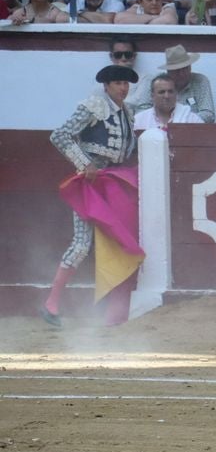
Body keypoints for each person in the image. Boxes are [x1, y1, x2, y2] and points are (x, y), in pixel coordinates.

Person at [41, 64, 141, 328]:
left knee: (121, 240)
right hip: (91, 183)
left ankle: (114, 309)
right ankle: (51, 303)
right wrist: (84, 164)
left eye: (126, 83)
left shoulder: (127, 113)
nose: (123, 87)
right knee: (82, 244)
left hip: (114, 183)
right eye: (118, 83)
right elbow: (59, 135)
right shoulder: (94, 105)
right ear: (106, 86)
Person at [134, 44, 215, 122]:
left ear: (190, 67)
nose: (182, 74)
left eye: (185, 68)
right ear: (168, 71)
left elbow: (208, 114)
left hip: (192, 131)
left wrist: (180, 121)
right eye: (177, 70)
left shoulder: (200, 81)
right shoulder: (157, 83)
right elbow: (142, 110)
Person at [133, 73, 205, 130]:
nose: (166, 96)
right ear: (152, 96)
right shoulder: (139, 121)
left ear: (176, 94)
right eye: (161, 92)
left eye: (170, 92)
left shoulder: (192, 119)